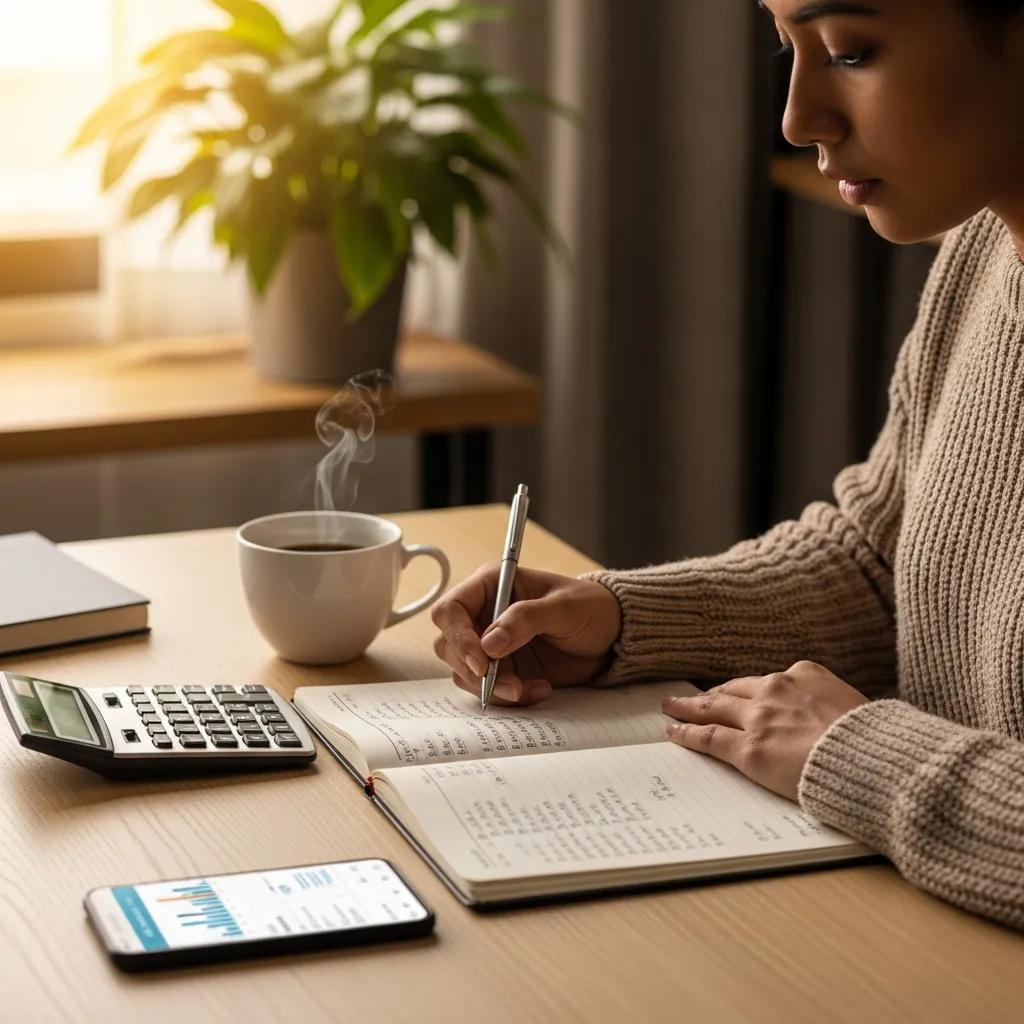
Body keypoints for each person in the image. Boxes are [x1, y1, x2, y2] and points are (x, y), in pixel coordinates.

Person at [431, 0, 1024, 931]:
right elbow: (881, 562)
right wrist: (624, 616)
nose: (797, 118)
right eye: (786, 49)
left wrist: (861, 755)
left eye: (849, 51)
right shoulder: (989, 249)